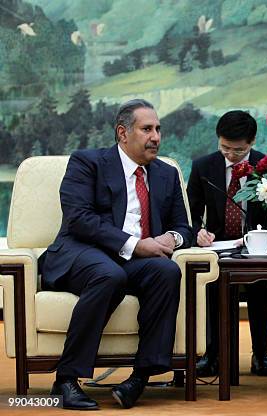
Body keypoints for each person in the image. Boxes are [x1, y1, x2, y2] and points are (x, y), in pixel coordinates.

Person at [41, 99, 192, 410]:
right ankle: (67, 378)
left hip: (132, 262)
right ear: (123, 133)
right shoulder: (88, 163)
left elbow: (183, 227)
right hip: (82, 253)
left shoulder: (166, 173)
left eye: (158, 129)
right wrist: (136, 245)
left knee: (167, 272)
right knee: (109, 274)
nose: (156, 137)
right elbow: (79, 218)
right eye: (147, 129)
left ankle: (140, 377)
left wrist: (171, 238)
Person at [187, 110, 267, 377]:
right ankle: (213, 354)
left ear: (251, 142)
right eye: (224, 147)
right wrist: (198, 234)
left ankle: (261, 355)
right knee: (212, 283)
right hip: (218, 247)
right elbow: (189, 214)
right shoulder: (204, 167)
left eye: (238, 150)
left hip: (258, 246)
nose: (230, 154)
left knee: (259, 282)